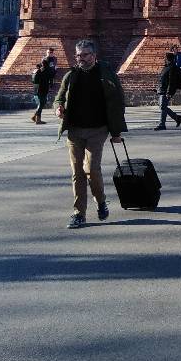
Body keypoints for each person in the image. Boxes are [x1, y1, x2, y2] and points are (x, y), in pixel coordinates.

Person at [53, 39, 126, 230]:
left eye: (84, 55)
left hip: (98, 129)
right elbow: (59, 97)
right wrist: (58, 107)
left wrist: (116, 132)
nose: (80, 58)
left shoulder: (106, 75)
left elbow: (117, 103)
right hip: (75, 130)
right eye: (78, 55)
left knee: (92, 169)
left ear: (94, 56)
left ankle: (101, 202)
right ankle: (79, 213)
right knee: (77, 172)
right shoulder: (71, 75)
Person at [154, 52, 181, 130]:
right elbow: (162, 79)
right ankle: (177, 118)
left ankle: (162, 125)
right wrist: (157, 89)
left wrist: (169, 92)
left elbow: (172, 81)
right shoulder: (166, 67)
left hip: (166, 91)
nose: (164, 60)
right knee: (163, 106)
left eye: (165, 58)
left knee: (163, 107)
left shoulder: (172, 68)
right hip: (162, 89)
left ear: (168, 59)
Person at [30, 48, 58, 123]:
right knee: (42, 102)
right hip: (43, 87)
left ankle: (35, 116)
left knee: (41, 102)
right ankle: (38, 119)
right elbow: (52, 75)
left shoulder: (39, 70)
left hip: (37, 87)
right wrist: (54, 71)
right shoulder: (47, 70)